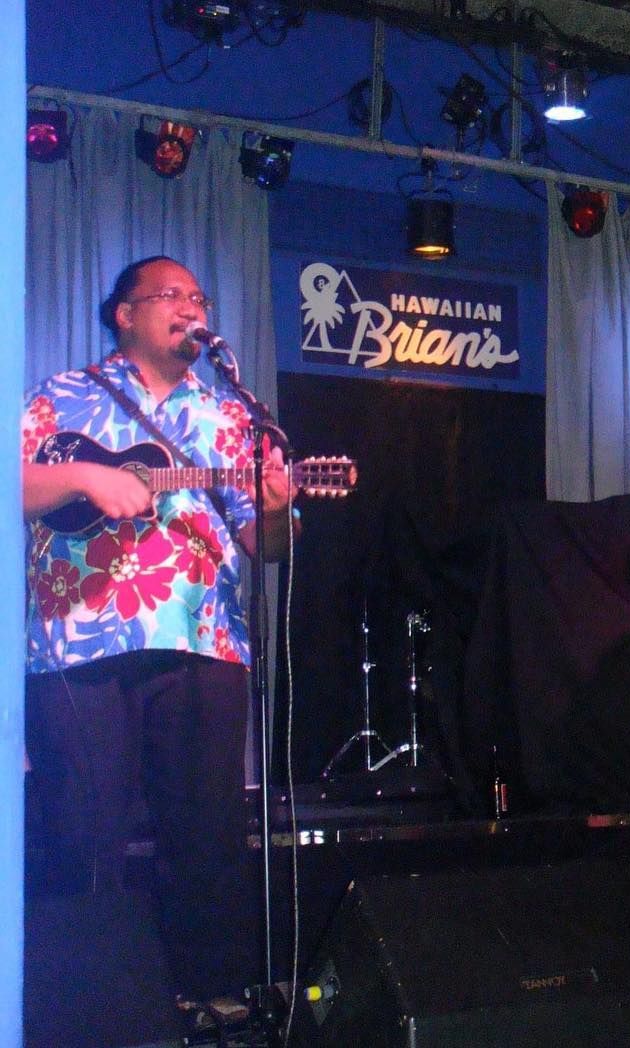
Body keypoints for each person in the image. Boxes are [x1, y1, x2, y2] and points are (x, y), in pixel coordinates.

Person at [21, 256, 298, 1007]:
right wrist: (85, 478)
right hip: (82, 645)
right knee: (84, 833)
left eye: (198, 297)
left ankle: (211, 998)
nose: (189, 307)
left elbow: (267, 547)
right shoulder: (64, 395)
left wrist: (273, 506)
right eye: (170, 295)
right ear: (125, 313)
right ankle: (87, 1005)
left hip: (204, 643)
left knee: (207, 836)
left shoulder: (230, 414)